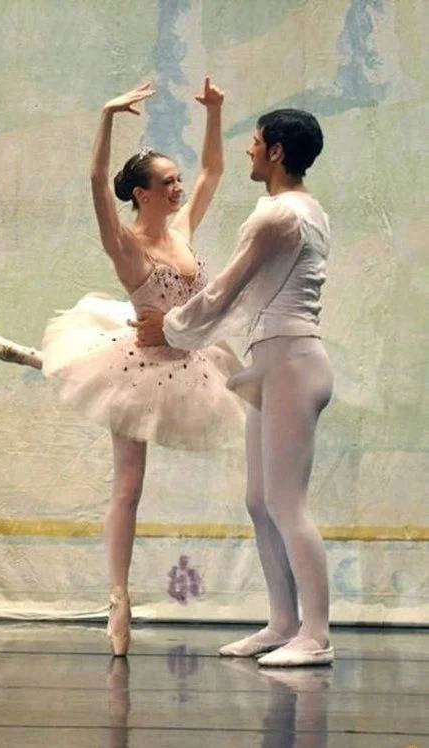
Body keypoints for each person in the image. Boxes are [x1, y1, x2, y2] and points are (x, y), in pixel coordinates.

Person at [0, 79, 244, 656]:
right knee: (129, 487)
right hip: (139, 369)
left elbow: (213, 171)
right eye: (167, 182)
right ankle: (118, 598)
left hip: (188, 359)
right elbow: (96, 182)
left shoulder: (182, 229)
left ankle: (37, 358)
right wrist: (107, 116)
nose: (178, 187)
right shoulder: (125, 246)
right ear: (141, 194)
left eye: (176, 180)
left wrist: (216, 112)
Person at [132, 108, 335, 667]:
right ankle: (283, 623)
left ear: (276, 152)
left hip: (292, 361)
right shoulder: (301, 210)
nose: (249, 148)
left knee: (287, 503)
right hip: (275, 361)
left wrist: (171, 329)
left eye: (256, 141)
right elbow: (243, 295)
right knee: (259, 500)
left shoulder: (280, 216)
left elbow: (226, 292)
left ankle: (316, 635)